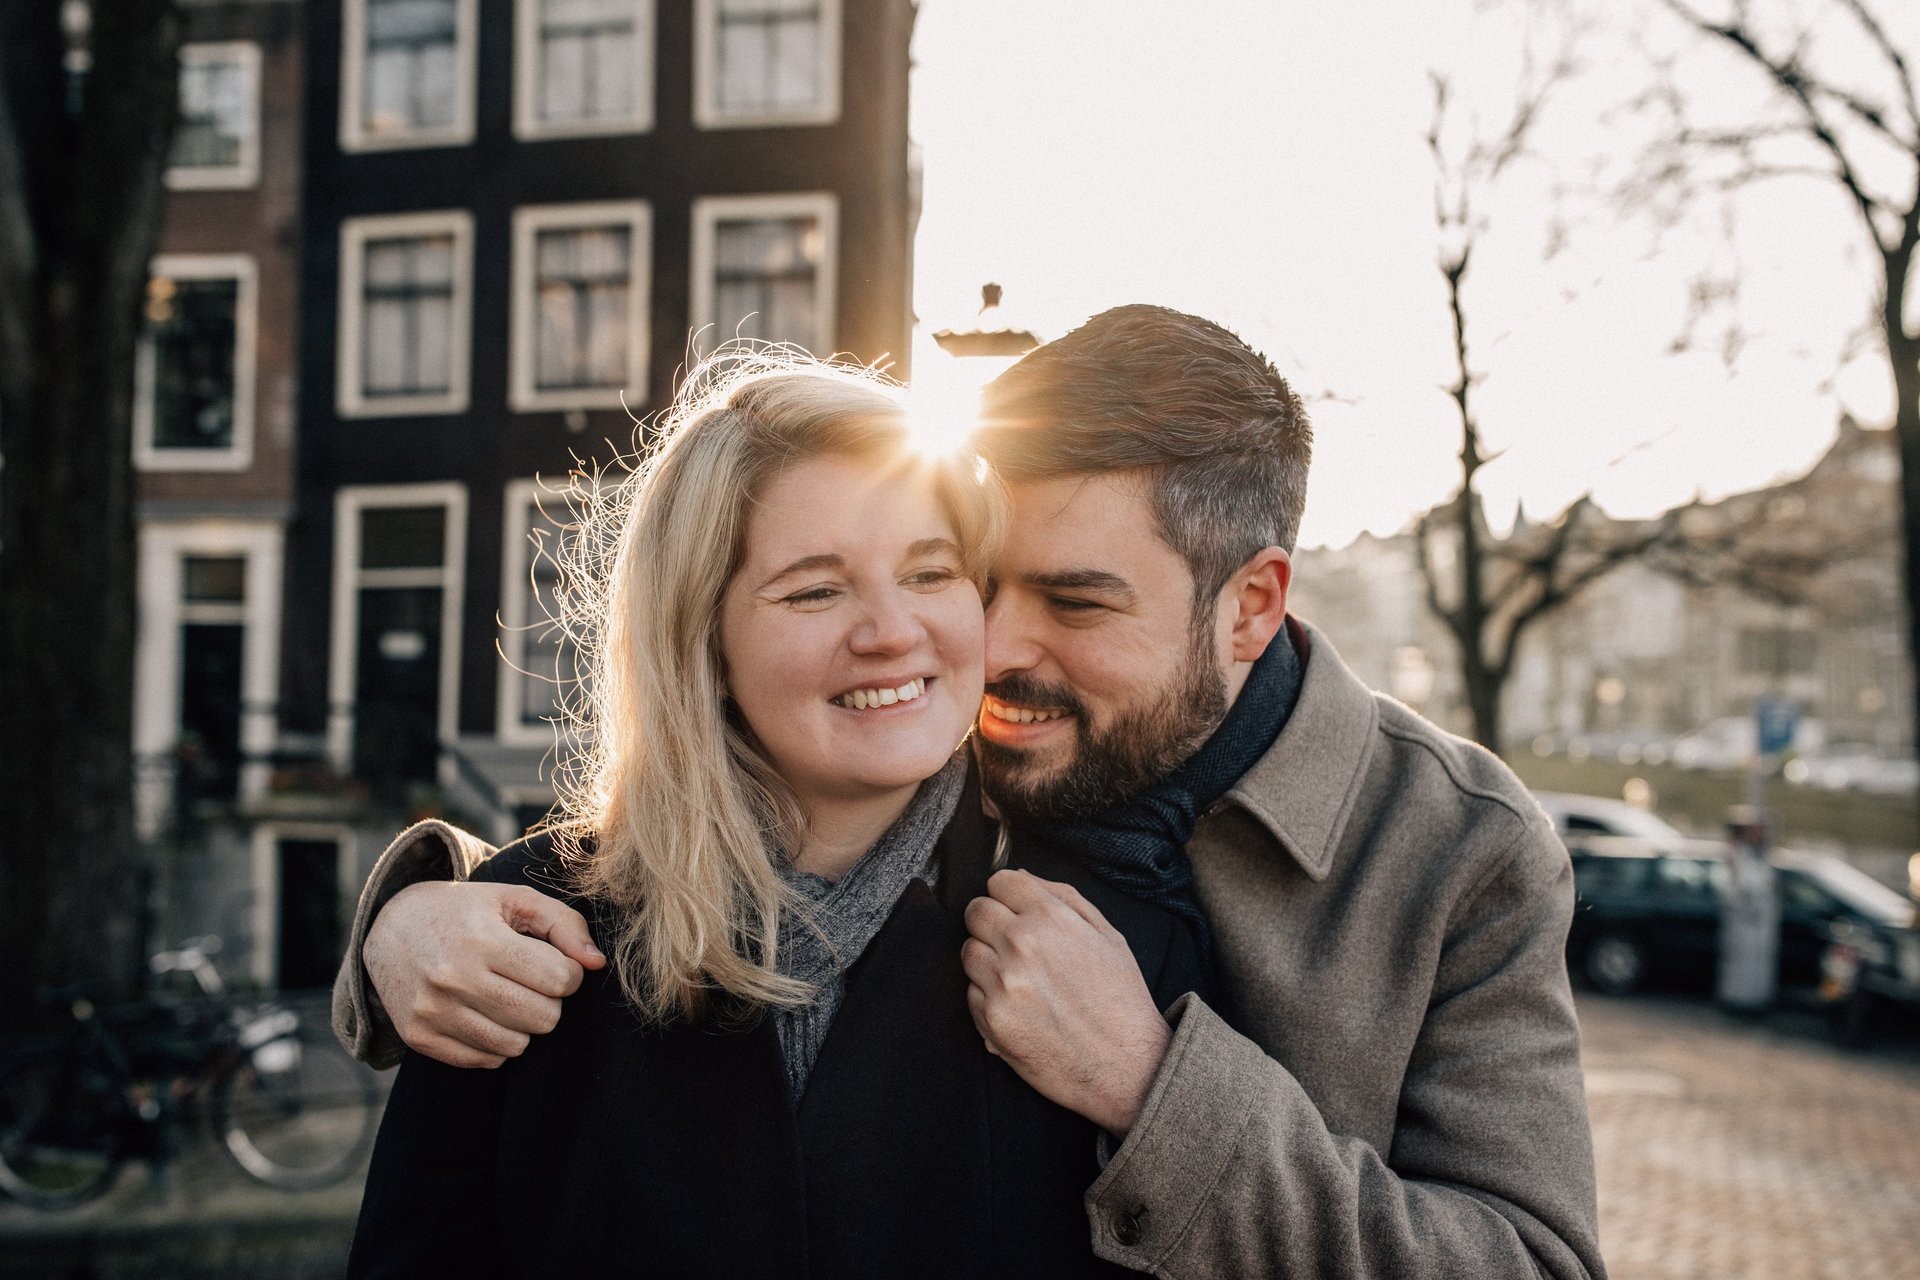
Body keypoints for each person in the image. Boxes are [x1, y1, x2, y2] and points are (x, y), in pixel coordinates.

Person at [338, 306, 1607, 1279]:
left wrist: (1156, 1085)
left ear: (1252, 607)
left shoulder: (1454, 852)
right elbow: (703, 818)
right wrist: (407, 915)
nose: (982, 643)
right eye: (985, 577)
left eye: (1075, 600)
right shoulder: (985, 736)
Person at [345, 357, 1211, 1278]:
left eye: (930, 573)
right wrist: (397, 922)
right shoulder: (514, 936)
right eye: (814, 590)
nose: (890, 631)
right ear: (702, 640)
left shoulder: (1114, 940)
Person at [1716, 805, 1780, 1014]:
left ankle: (1752, 1001)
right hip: (1743, 917)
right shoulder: (1737, 854)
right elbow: (1743, 885)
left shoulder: (1758, 855)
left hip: (1757, 922)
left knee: (1755, 964)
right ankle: (1738, 1002)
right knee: (1738, 963)